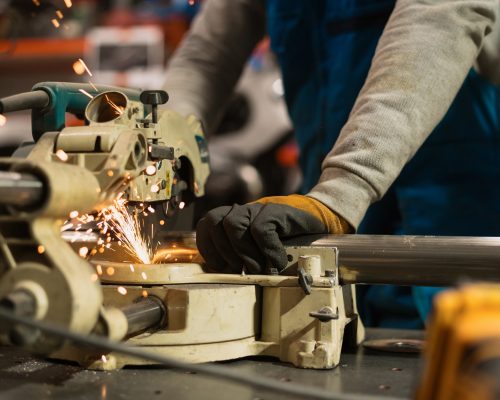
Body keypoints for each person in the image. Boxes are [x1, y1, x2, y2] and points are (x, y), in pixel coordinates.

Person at [164, 0, 500, 328]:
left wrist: (340, 193)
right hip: (330, 223)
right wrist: (160, 148)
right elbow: (206, 57)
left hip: (454, 220)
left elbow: (441, 17)